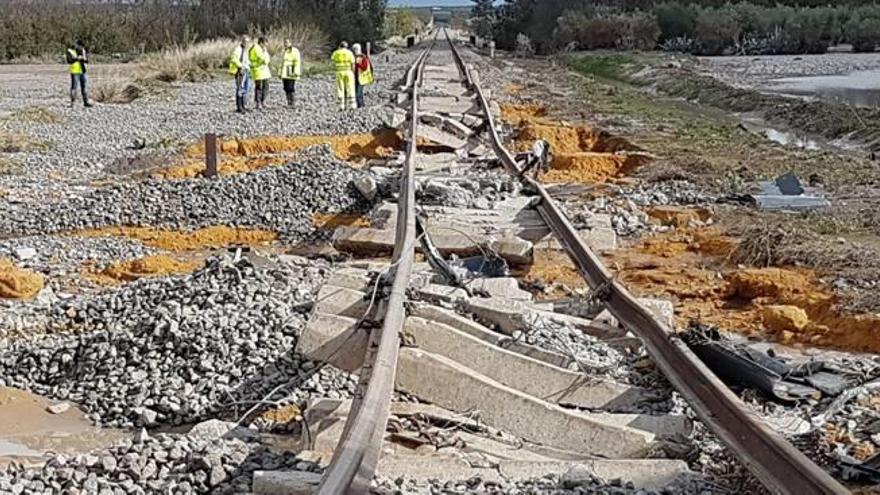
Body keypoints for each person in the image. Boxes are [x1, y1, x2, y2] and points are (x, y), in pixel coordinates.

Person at [330, 41, 356, 110]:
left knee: (340, 88)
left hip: (339, 71)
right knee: (350, 87)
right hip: (348, 71)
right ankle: (352, 104)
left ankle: (341, 105)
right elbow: (353, 63)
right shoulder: (350, 53)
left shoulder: (336, 52)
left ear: (339, 46)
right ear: (346, 46)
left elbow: (332, 61)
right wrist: (353, 72)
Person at [66, 40, 92, 108]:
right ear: (77, 45)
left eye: (82, 46)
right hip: (75, 71)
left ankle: (86, 102)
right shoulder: (70, 51)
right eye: (80, 46)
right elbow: (69, 61)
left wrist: (84, 58)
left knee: (84, 87)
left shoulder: (83, 51)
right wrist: (77, 58)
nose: (81, 47)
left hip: (83, 71)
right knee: (74, 87)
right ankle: (72, 103)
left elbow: (87, 60)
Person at [229, 35, 251, 113]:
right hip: (240, 71)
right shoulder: (238, 49)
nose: (247, 43)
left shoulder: (246, 50)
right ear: (242, 41)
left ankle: (243, 105)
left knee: (246, 88)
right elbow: (234, 59)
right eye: (245, 41)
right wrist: (241, 66)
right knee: (240, 88)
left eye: (248, 42)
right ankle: (239, 106)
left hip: (246, 71)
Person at [249, 36, 272, 110]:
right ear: (261, 42)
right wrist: (265, 57)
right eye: (265, 43)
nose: (266, 45)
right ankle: (258, 103)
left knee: (266, 86)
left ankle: (263, 101)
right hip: (258, 70)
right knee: (259, 87)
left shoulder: (263, 49)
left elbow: (268, 59)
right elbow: (263, 59)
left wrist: (266, 57)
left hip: (264, 71)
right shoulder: (256, 48)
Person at [281, 39, 302, 108]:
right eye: (284, 42)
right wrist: (279, 72)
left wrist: (296, 71)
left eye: (287, 42)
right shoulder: (284, 51)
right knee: (286, 87)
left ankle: (292, 102)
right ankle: (289, 102)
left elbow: (297, 61)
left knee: (291, 87)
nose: (285, 44)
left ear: (290, 43)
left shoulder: (295, 51)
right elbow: (282, 63)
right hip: (285, 72)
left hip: (291, 71)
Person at [352, 43, 374, 108]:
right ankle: (360, 105)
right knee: (358, 92)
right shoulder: (355, 57)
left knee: (358, 93)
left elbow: (364, 67)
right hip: (356, 78)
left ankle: (361, 106)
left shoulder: (363, 58)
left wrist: (358, 64)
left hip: (361, 78)